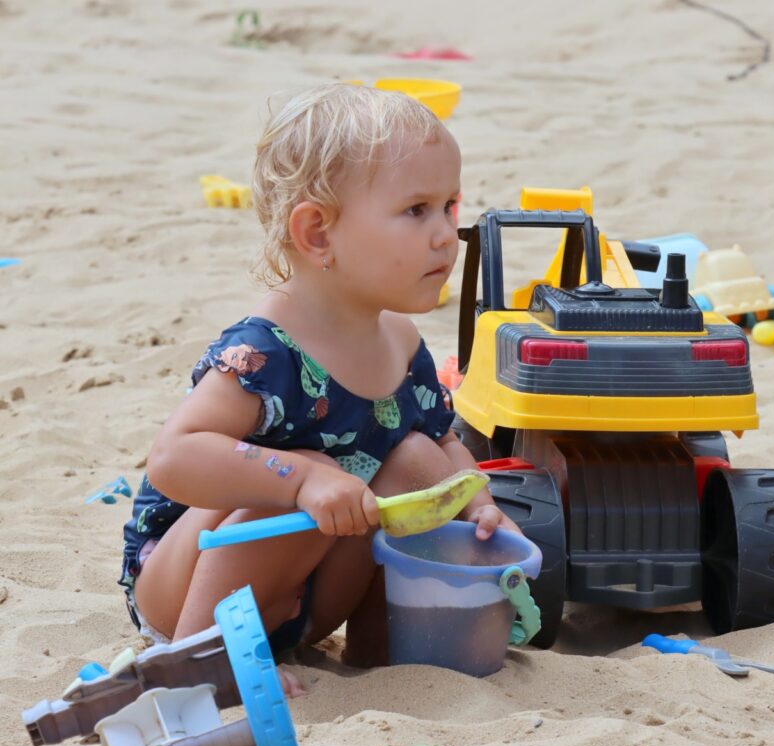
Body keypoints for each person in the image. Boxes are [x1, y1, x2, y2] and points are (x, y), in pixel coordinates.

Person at [118, 83, 519, 695]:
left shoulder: (399, 340)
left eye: (448, 206)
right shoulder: (267, 351)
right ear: (318, 234)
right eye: (417, 210)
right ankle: (205, 664)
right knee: (315, 470)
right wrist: (301, 479)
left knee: (417, 457)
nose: (445, 234)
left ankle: (386, 646)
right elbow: (174, 458)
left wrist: (479, 504)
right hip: (191, 594)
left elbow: (444, 441)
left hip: (310, 599)